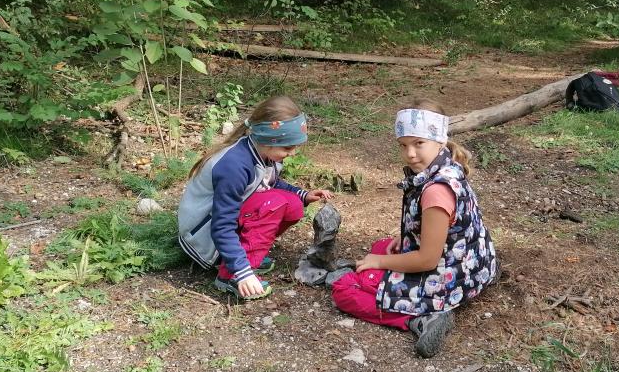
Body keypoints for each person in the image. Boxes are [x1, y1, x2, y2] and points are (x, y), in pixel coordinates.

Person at [331, 98, 497, 357]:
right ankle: (385, 278)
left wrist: (379, 263)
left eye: (419, 143)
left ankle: (421, 320)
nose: (410, 153)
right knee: (382, 247)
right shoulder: (447, 167)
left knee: (344, 291)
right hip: (474, 263)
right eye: (403, 145)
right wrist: (404, 238)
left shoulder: (436, 191)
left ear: (439, 140)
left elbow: (427, 259)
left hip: (443, 278)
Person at [178, 95, 333, 299]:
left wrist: (302, 195)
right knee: (274, 204)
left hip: (223, 225)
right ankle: (231, 273)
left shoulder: (263, 153)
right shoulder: (235, 166)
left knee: (293, 205)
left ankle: (246, 255)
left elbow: (268, 182)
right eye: (288, 148)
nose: (293, 153)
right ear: (268, 138)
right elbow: (221, 224)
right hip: (202, 235)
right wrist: (242, 271)